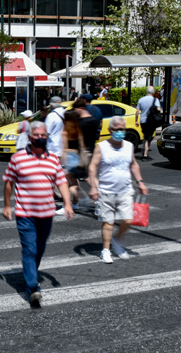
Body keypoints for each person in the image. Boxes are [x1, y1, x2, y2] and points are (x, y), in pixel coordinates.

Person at [3, 122, 74, 308]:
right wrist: (6, 206)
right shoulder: (18, 158)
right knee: (29, 249)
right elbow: (9, 182)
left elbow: (62, 182)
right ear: (29, 136)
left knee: (39, 248)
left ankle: (30, 272)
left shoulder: (53, 159)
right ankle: (33, 287)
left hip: (46, 214)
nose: (40, 137)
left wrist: (67, 203)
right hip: (25, 213)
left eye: (43, 134)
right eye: (36, 134)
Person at [87, 116, 148, 264]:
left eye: (123, 129)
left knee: (128, 219)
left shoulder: (129, 146)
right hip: (106, 190)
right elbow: (93, 166)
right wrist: (93, 187)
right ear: (110, 130)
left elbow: (133, 164)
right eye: (117, 129)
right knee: (108, 222)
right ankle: (106, 250)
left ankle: (117, 240)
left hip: (125, 190)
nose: (120, 132)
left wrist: (140, 182)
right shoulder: (101, 147)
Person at [61, 99, 97, 212]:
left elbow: (64, 149)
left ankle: (79, 198)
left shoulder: (68, 130)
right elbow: (83, 144)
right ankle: (78, 201)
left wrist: (63, 163)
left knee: (68, 181)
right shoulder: (90, 122)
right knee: (86, 177)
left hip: (72, 155)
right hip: (83, 153)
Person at [136, 87, 162, 161]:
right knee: (148, 138)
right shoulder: (155, 100)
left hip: (142, 121)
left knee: (145, 136)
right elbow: (158, 109)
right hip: (150, 121)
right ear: (153, 92)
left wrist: (136, 121)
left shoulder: (141, 99)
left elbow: (137, 111)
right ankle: (145, 155)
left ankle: (143, 151)